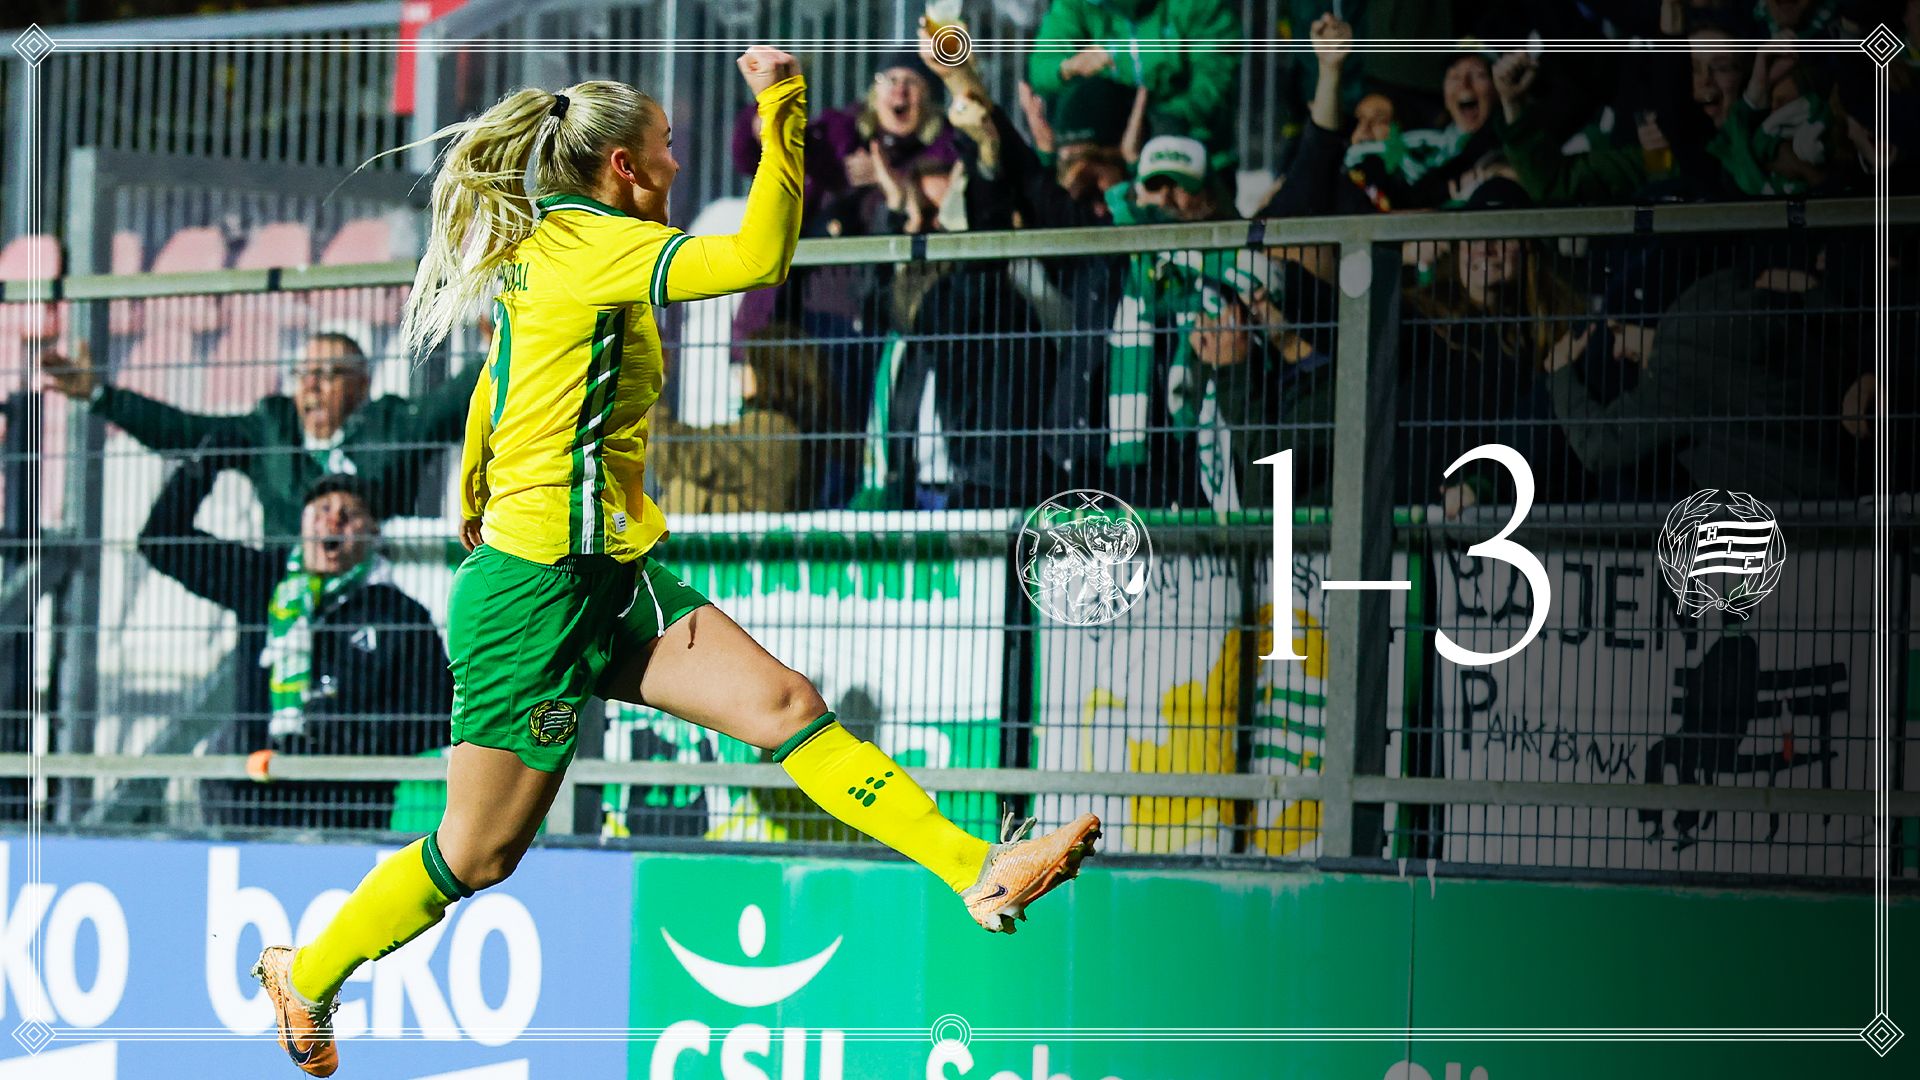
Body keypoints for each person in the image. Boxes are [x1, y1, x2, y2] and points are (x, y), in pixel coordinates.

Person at [249, 47, 1101, 1078]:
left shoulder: (553, 244)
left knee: (786, 706)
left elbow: (498, 377)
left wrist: (475, 485)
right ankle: (308, 974)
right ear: (623, 166)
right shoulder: (595, 243)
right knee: (477, 854)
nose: (677, 159)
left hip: (602, 569)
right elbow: (760, 258)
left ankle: (979, 869)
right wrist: (782, 105)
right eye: (666, 145)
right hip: (534, 593)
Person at [138, 459, 449, 830]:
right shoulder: (263, 579)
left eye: (349, 514)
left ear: (373, 532)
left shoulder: (399, 614)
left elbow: (437, 716)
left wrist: (348, 738)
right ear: (302, 523)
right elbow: (161, 542)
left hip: (346, 810)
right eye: (322, 509)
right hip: (251, 806)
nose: (333, 522)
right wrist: (204, 465)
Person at [42, 332, 481, 542]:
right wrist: (101, 397)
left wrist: (499, 349)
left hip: (366, 600)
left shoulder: (392, 425)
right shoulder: (270, 429)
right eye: (303, 373)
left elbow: (456, 401)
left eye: (328, 374)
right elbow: (185, 432)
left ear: (361, 386)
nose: (311, 385)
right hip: (279, 597)